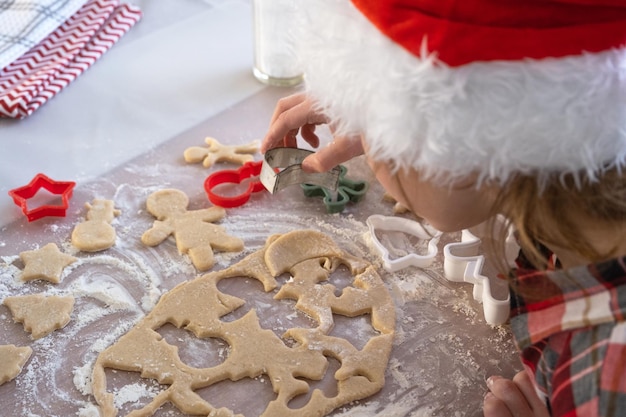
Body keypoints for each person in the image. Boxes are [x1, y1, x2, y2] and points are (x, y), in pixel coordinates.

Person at [260, 1, 626, 416]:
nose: (363, 139)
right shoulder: (570, 189)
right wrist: (390, 109)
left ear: (457, 144)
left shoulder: (605, 384)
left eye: (378, 132)